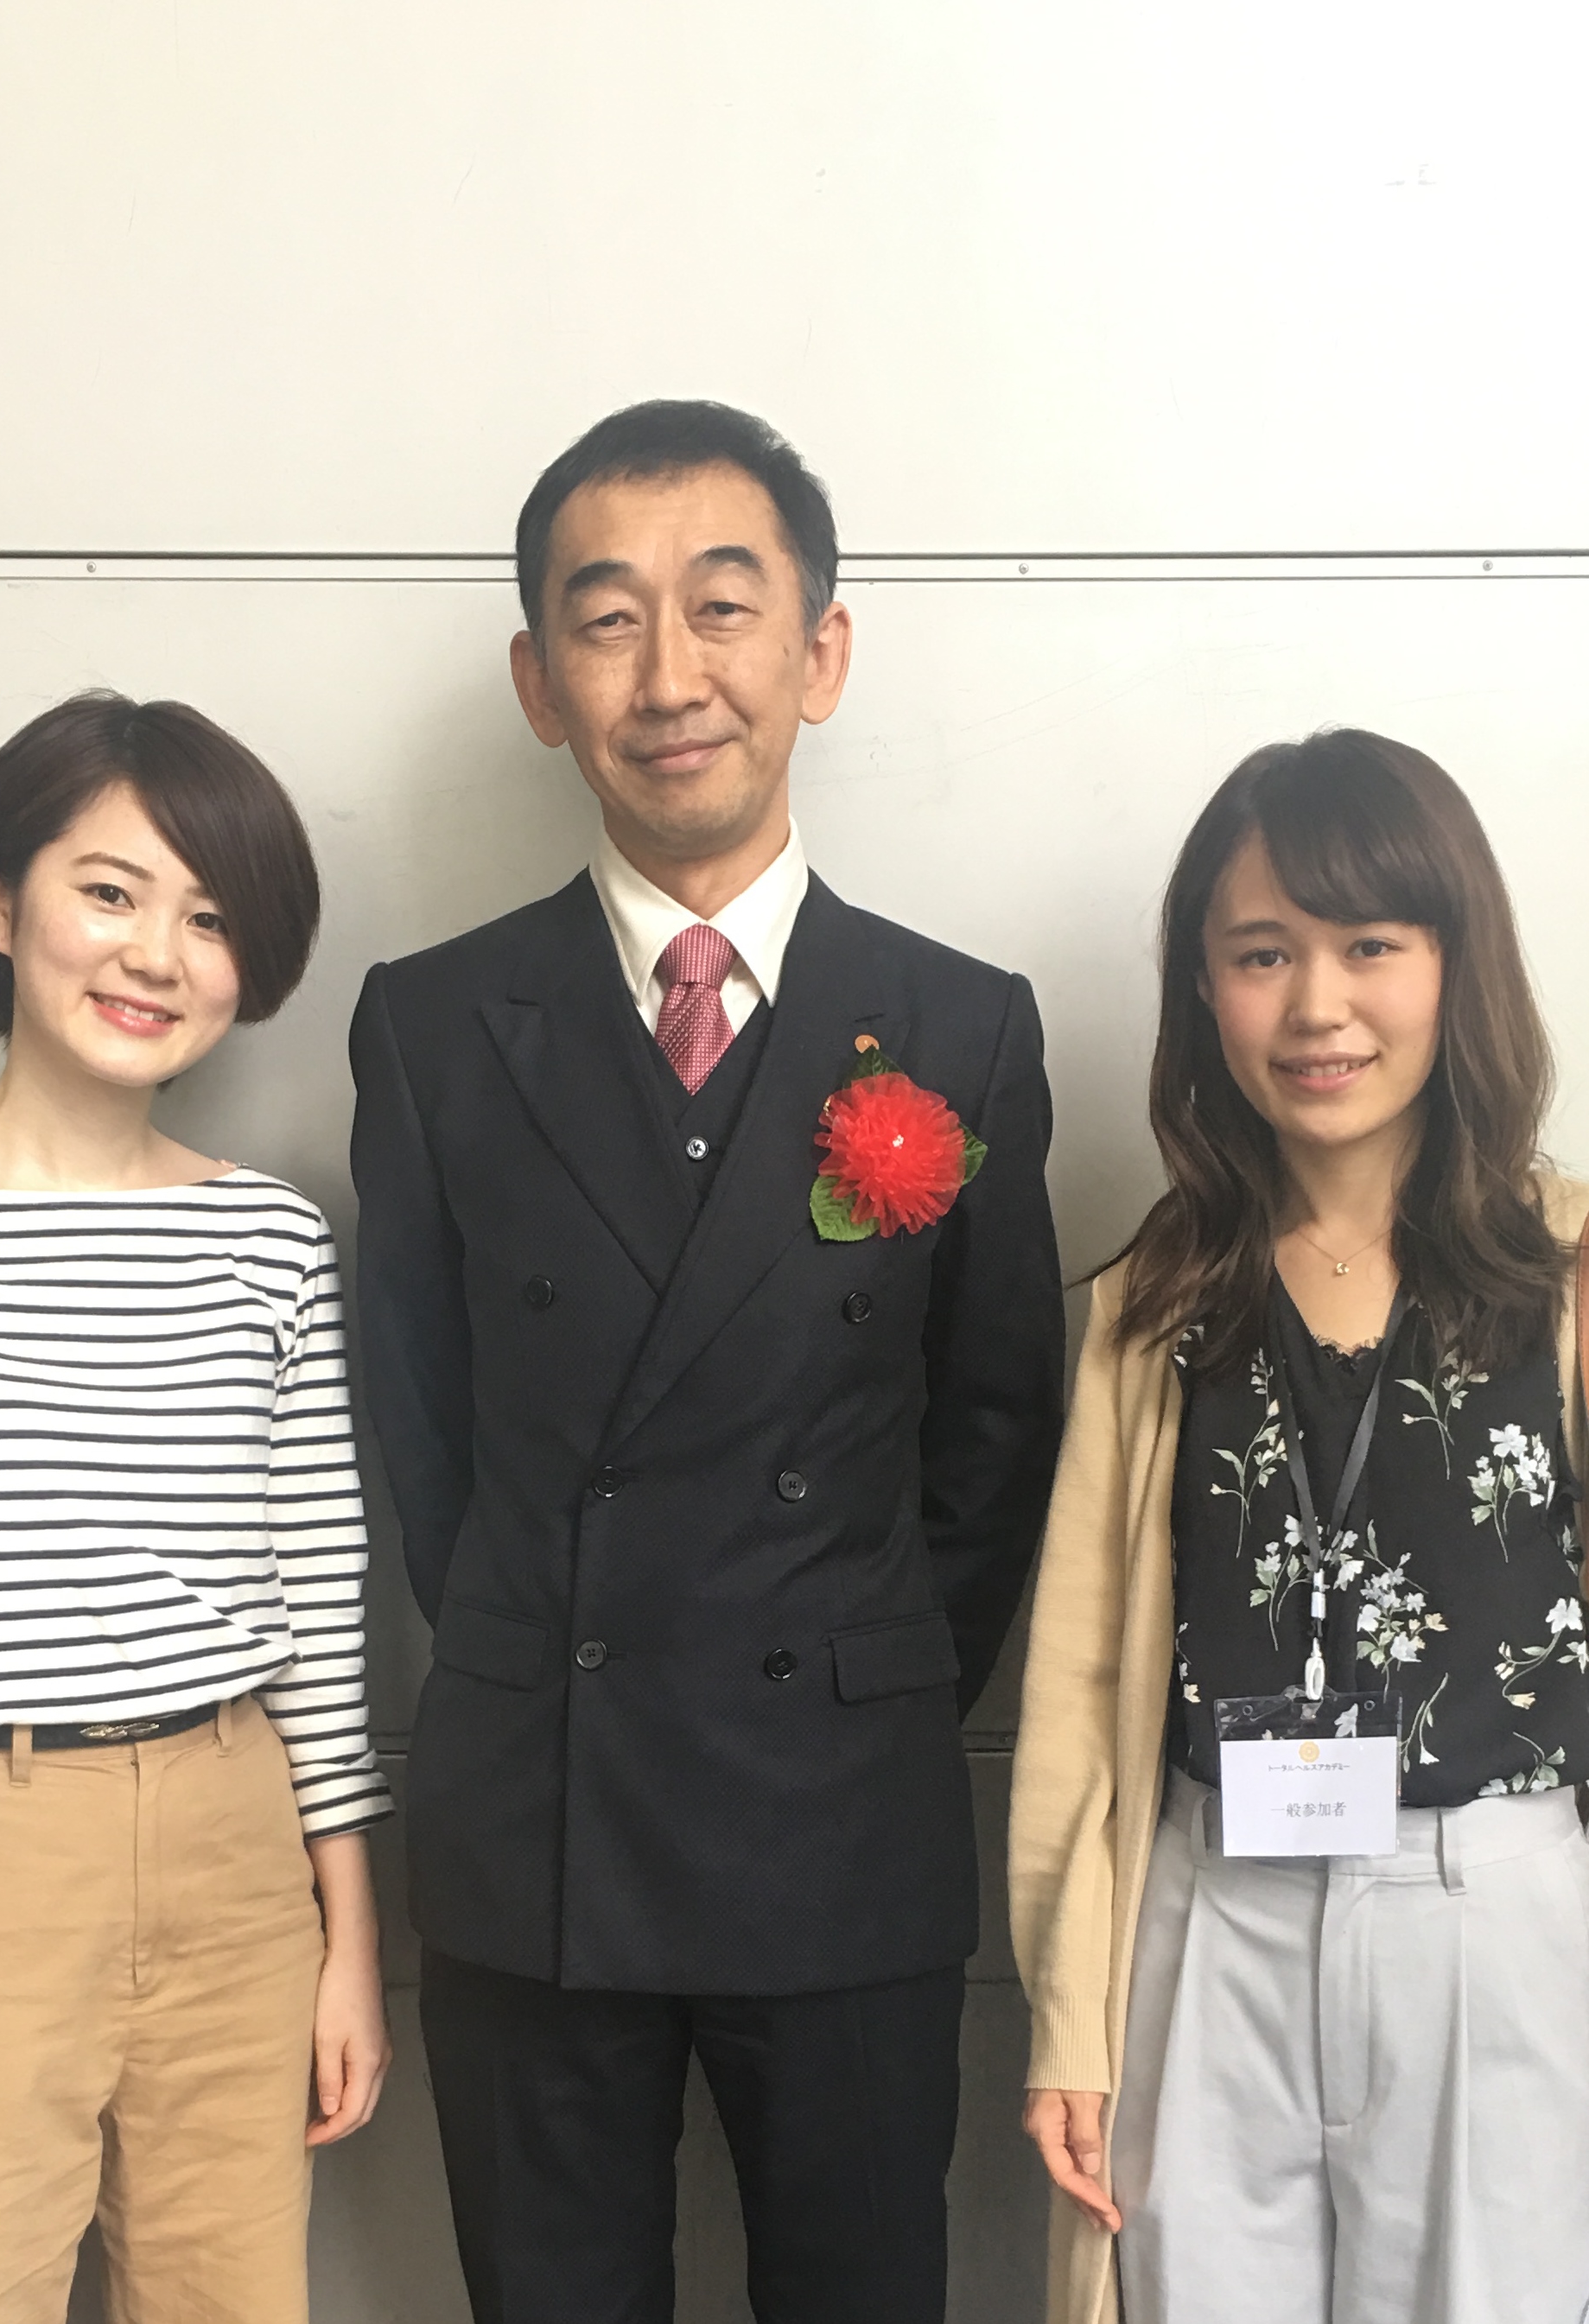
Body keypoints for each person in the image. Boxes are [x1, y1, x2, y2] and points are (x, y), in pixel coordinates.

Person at [350, 398, 1065, 2324]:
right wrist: (538, 1652)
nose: (669, 675)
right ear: (538, 681)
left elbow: (995, 1429)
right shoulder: (432, 1025)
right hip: (538, 1821)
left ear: (818, 653)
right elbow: (423, 1427)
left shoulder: (958, 1024)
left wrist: (851, 1666)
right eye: (606, 619)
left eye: (722, 607)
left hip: (839, 1811)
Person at [1011, 728, 1589, 2324]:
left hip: (1494, 1924)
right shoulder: (1156, 1298)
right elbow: (1078, 1690)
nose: (1318, 1004)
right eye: (1263, 952)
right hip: (1215, 1918)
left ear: (1456, 964)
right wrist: (1070, 2021)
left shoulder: (1562, 1273)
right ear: (1206, 987)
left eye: (1370, 945)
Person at [0, 693, 391, 2324]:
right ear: (0, 898)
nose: (158, 954)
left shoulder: (271, 1240)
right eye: (111, 891)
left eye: (212, 917)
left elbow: (319, 1609)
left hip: (233, 1846)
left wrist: (348, 1941)